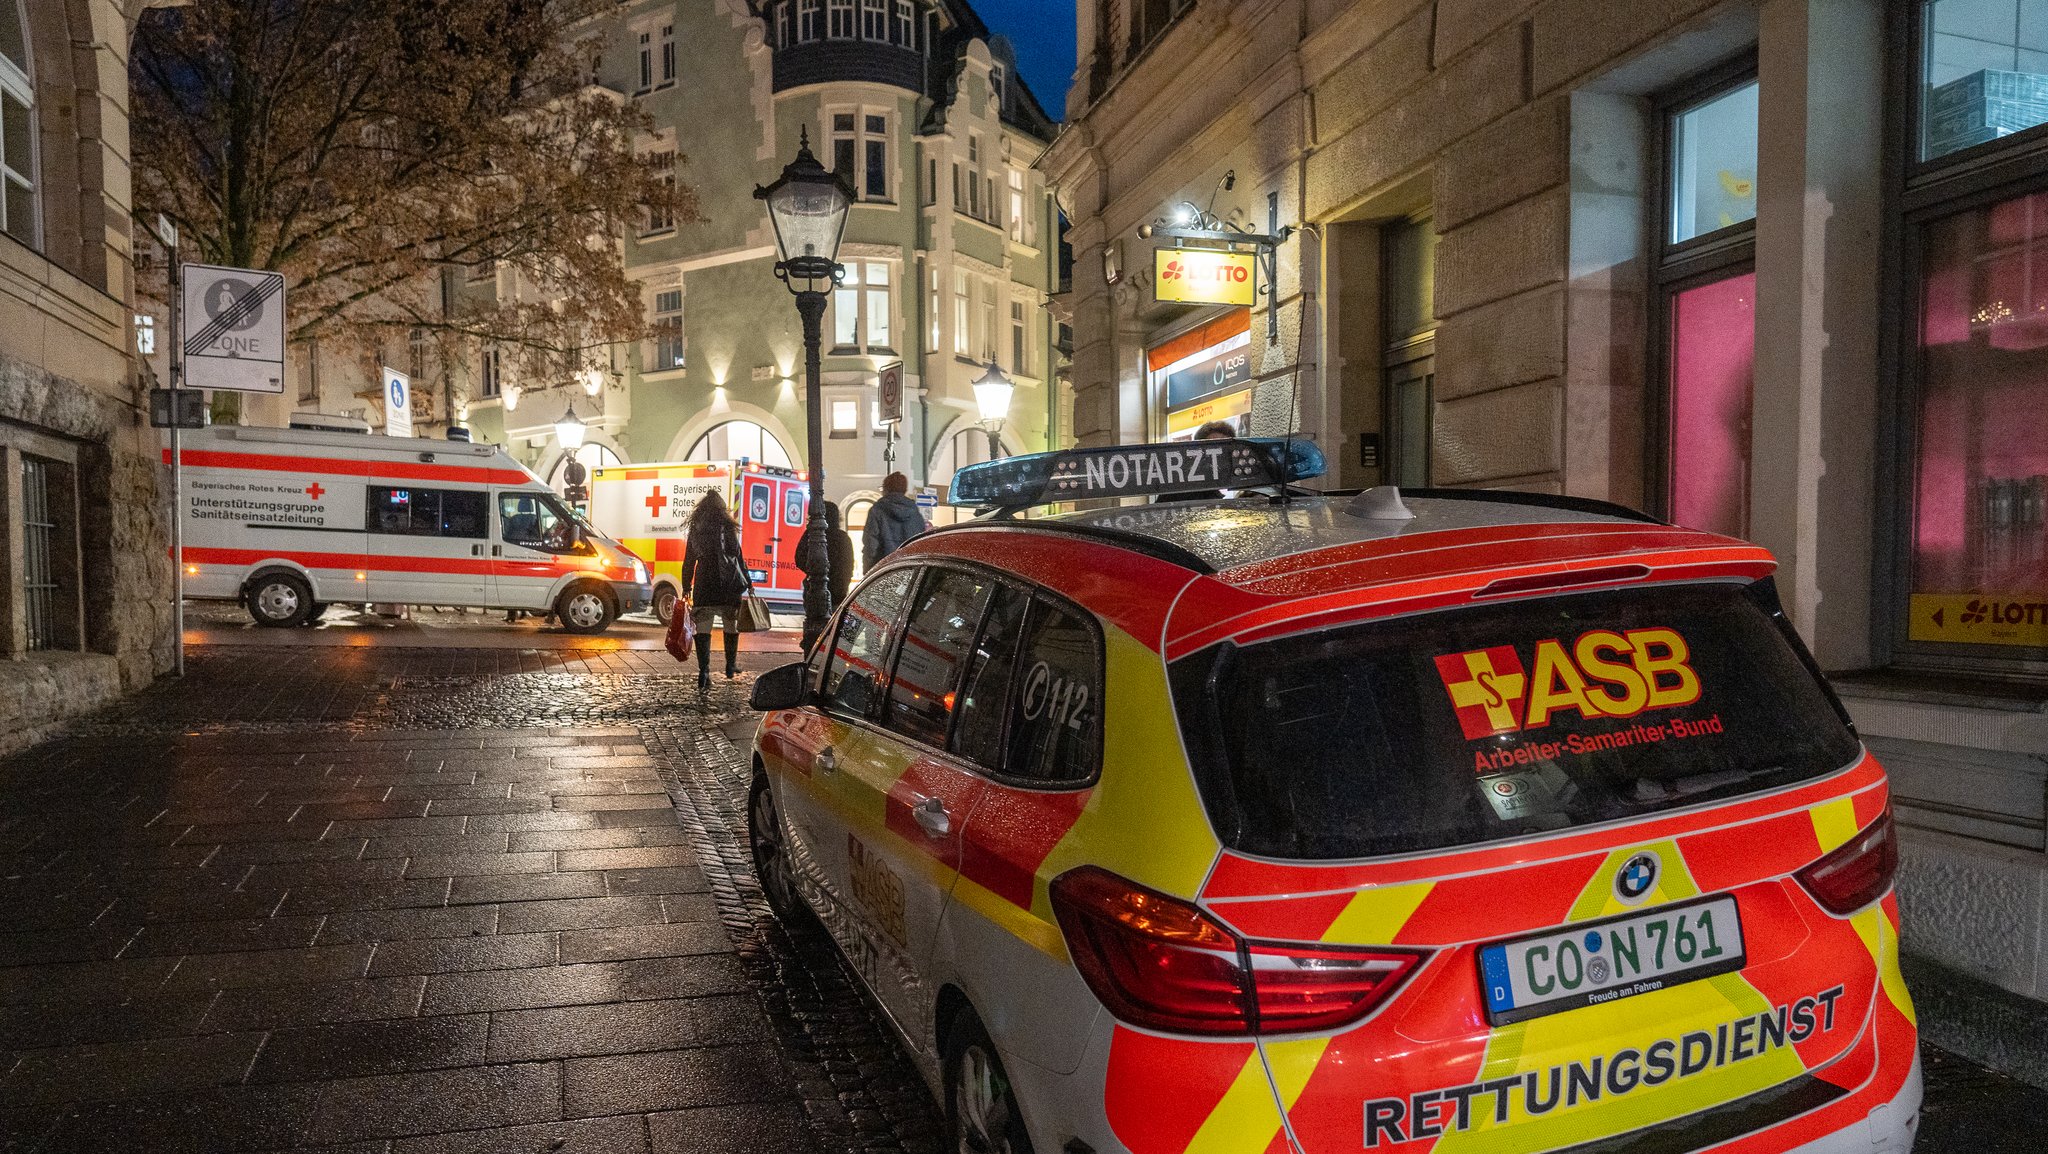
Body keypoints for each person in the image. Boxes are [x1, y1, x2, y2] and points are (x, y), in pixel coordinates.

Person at [679, 490, 751, 689]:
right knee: (731, 624)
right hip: (728, 584)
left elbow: (689, 561)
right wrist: (749, 581)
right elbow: (737, 555)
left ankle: (704, 672)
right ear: (721, 509)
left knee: (703, 628)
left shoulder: (696, 529)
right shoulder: (727, 527)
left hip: (704, 584)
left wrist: (686, 586)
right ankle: (730, 665)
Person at [1154, 420, 1240, 503]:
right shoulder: (1179, 489)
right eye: (1212, 448)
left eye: (1223, 449)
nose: (1217, 455)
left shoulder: (1218, 492)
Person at [863, 472, 929, 569]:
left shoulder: (877, 510)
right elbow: (921, 544)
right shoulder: (915, 512)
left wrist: (867, 570)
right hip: (909, 569)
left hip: (884, 570)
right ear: (905, 490)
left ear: (886, 489)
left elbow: (870, 546)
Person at [798, 500, 856, 608]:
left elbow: (799, 558)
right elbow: (849, 564)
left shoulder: (810, 534)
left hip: (814, 588)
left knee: (814, 619)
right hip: (838, 590)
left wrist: (813, 571)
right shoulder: (843, 538)